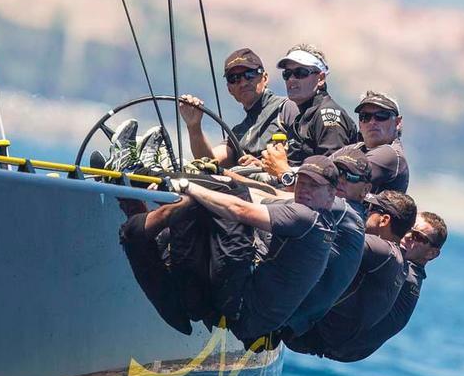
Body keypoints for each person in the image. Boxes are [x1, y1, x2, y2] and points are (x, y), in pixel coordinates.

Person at [164, 155, 339, 344]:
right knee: (233, 190)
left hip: (238, 309)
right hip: (255, 322)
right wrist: (223, 177)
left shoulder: (304, 217)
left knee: (226, 196)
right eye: (301, 182)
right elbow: (257, 197)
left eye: (313, 185)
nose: (304, 190)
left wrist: (186, 185)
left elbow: (240, 210)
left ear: (331, 194)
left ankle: (155, 176)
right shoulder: (326, 221)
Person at [286, 190, 417, 356]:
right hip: (320, 337)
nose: (364, 212)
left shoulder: (383, 251)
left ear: (384, 220)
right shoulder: (397, 259)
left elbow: (331, 236)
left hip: (307, 333)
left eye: (370, 208)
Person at [324, 212, 447, 362]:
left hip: (331, 340)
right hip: (345, 349)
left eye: (418, 237)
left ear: (432, 253)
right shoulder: (411, 274)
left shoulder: (402, 270)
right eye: (408, 228)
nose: (408, 236)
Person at [278, 148, 371, 338]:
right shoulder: (347, 212)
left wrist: (225, 177)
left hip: (283, 318)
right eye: (337, 172)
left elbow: (274, 199)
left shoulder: (343, 209)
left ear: (366, 190)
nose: (341, 179)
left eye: (351, 176)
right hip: (293, 322)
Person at [263, 90, 410, 193]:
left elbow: (328, 182)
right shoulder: (355, 148)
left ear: (397, 122)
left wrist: (284, 172)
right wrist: (268, 165)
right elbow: (318, 167)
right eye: (365, 116)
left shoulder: (389, 154)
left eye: (381, 116)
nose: (372, 122)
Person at [177, 47, 298, 167]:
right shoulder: (238, 133)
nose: (243, 83)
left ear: (265, 78)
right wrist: (194, 126)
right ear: (229, 89)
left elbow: (305, 153)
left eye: (249, 75)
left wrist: (262, 165)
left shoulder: (286, 108)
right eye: (234, 78)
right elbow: (208, 162)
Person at [255, 43, 358, 174]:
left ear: (320, 78)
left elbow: (332, 178)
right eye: (287, 74)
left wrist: (283, 172)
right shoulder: (302, 117)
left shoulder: (327, 115)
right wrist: (267, 165)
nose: (291, 79)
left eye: (300, 73)